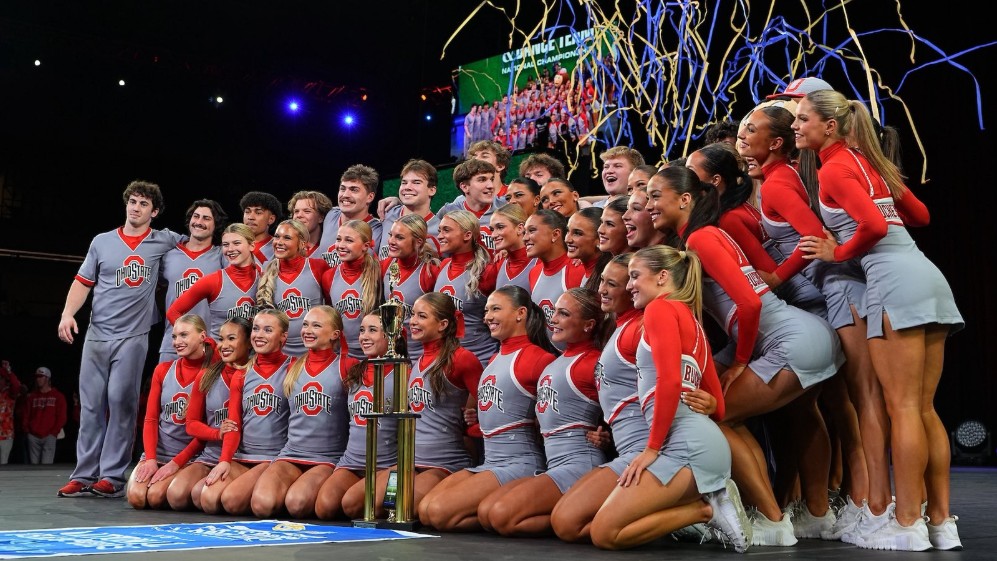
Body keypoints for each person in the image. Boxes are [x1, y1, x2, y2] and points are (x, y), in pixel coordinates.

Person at [795, 89, 964, 551]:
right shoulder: (872, 163)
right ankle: (940, 523)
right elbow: (921, 215)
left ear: (830, 126)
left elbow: (870, 225)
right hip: (926, 274)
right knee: (924, 408)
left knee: (903, 407)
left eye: (804, 118)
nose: (796, 125)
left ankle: (907, 524)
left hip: (893, 283)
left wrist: (837, 251)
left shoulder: (835, 167)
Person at [648, 165, 843, 545]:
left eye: (656, 195)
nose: (650, 204)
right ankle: (817, 514)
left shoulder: (701, 238)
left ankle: (771, 519)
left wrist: (738, 363)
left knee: (715, 414)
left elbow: (750, 306)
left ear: (685, 199)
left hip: (789, 340)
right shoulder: (705, 235)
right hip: (809, 334)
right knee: (804, 415)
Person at [739, 99, 889, 542]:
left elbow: (816, 237)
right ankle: (842, 505)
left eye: (752, 131)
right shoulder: (775, 180)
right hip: (818, 297)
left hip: (827, 296)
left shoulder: (781, 184)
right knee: (833, 408)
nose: (743, 139)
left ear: (778, 142)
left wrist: (774, 276)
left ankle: (860, 505)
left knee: (852, 406)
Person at [589, 245, 751, 552]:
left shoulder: (660, 309)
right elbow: (719, 405)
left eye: (635, 276)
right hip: (701, 442)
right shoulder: (691, 319)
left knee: (605, 533)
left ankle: (706, 511)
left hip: (684, 448)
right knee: (604, 529)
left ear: (663, 277)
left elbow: (670, 380)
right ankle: (704, 508)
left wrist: (651, 448)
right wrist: (713, 404)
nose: (629, 284)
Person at [57, 179, 183, 498]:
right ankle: (83, 474)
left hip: (134, 335)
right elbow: (83, 281)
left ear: (153, 212)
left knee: (121, 402)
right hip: (97, 334)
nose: (136, 207)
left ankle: (111, 476)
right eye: (132, 201)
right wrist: (67, 314)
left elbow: (197, 243)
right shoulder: (102, 241)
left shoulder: (162, 240)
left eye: (143, 204)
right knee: (90, 406)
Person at [420, 286, 557, 532]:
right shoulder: (495, 358)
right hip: (490, 460)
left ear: (520, 313)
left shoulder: (539, 359)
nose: (487, 317)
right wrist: (478, 418)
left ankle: (512, 509)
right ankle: (495, 509)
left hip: (519, 461)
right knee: (427, 510)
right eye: (486, 310)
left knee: (440, 513)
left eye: (495, 309)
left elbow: (554, 411)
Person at [481, 288, 607, 537]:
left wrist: (607, 435)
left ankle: (587, 512)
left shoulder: (594, 361)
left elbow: (620, 406)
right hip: (552, 464)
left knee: (501, 516)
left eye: (563, 314)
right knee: (488, 513)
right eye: (555, 313)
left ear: (588, 325)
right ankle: (573, 511)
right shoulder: (556, 362)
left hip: (580, 463)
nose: (553, 319)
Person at [252, 306, 355, 519]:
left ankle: (309, 492)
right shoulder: (293, 367)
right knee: (261, 504)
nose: (308, 330)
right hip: (291, 454)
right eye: (306, 324)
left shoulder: (347, 366)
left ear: (335, 334)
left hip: (327, 457)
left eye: (316, 325)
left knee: (297, 503)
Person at [387, 292, 484, 516]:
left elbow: (487, 400)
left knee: (403, 508)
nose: (413, 321)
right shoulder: (417, 360)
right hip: (412, 460)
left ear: (442, 324)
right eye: (413, 315)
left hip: (443, 461)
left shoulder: (462, 358)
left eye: (422, 316)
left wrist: (473, 421)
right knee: (369, 504)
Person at [199, 309, 292, 515]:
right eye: (256, 329)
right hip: (245, 456)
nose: (259, 335)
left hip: (275, 457)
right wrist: (224, 461)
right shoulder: (241, 375)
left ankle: (272, 489)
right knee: (208, 498)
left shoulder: (293, 368)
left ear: (283, 336)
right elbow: (233, 424)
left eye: (268, 330)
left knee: (233, 501)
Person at [314, 312, 397, 520]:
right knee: (324, 508)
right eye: (361, 330)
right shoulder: (354, 372)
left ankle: (396, 495)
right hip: (352, 462)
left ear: (392, 336)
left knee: (352, 505)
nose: (364, 336)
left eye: (373, 330)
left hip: (389, 464)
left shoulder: (403, 372)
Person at [126, 314, 214, 509]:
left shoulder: (211, 373)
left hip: (188, 456)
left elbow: (205, 432)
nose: (177, 342)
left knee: (156, 497)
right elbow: (150, 419)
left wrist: (176, 463)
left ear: (202, 336)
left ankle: (189, 481)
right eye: (174, 337)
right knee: (137, 498)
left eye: (184, 335)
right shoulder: (163, 370)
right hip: (158, 452)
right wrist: (150, 459)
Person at [170, 316, 253, 511]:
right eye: (221, 339)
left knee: (206, 498)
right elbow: (191, 424)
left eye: (231, 339)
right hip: (212, 452)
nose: (224, 345)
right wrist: (217, 433)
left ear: (248, 342)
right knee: (175, 495)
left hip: (242, 455)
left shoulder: (253, 374)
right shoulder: (207, 375)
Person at [158, 199, 226, 362]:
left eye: (206, 218)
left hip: (208, 343)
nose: (199, 222)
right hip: (172, 342)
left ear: (216, 225)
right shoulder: (169, 255)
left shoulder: (221, 257)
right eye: (196, 216)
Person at [167, 223, 260, 341]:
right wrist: (201, 341)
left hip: (254, 356)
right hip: (219, 356)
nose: (230, 249)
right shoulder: (213, 280)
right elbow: (173, 312)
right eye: (225, 245)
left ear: (252, 245)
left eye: (236, 243)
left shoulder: (264, 280)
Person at [255, 219, 331, 357]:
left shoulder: (318, 266)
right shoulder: (267, 270)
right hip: (281, 353)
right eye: (277, 236)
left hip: (314, 349)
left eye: (287, 238)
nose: (279, 242)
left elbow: (331, 309)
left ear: (302, 243)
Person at [433, 210, 498, 367]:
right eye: (439, 231)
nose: (440, 236)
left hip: (480, 359)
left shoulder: (487, 271)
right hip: (447, 359)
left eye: (446, 230)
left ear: (467, 235)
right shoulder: (442, 266)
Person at [380, 214, 440, 360]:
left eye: (399, 238)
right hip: (393, 354)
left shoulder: (430, 271)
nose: (391, 242)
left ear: (418, 242)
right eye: (390, 235)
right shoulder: (386, 265)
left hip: (422, 354)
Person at [525, 210, 586, 350]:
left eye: (532, 230)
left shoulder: (578, 269)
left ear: (555, 234)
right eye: (524, 232)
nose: (525, 238)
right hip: (549, 357)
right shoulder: (534, 272)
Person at [322, 219, 382, 359]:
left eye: (349, 240)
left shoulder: (380, 271)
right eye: (338, 239)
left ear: (365, 246)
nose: (341, 245)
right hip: (344, 355)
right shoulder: (328, 276)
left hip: (376, 355)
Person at [318, 164, 383, 267]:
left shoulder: (378, 229)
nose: (345, 195)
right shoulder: (331, 215)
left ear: (370, 197)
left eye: (354, 190)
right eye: (343, 189)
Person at [437, 159, 505, 255]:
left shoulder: (506, 207)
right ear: (464, 187)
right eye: (482, 180)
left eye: (492, 179)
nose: (491, 185)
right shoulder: (448, 211)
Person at [377, 159, 439, 260]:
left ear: (431, 190)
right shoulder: (387, 213)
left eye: (416, 182)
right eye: (404, 182)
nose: (407, 187)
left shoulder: (440, 230)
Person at [22, 366, 67, 465]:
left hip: (49, 436)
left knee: (46, 467)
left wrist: (53, 432)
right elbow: (26, 414)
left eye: (41, 376)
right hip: (33, 436)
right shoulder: (32, 397)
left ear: (47, 378)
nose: (38, 379)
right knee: (33, 467)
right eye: (37, 377)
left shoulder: (58, 396)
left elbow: (61, 417)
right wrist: (27, 430)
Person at [490, 203, 536, 292]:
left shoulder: (540, 261)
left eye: (500, 227)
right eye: (492, 229)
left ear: (520, 228)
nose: (493, 235)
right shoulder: (499, 261)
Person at [566, 207, 610, 290]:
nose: (567, 239)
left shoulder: (608, 276)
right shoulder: (582, 268)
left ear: (600, 239)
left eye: (577, 233)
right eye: (568, 231)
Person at [239, 191, 283, 267]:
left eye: (258, 213)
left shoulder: (279, 246)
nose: (251, 217)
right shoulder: (232, 245)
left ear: (271, 219)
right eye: (247, 212)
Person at [287, 190, 335, 257]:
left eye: (307, 211)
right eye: (296, 211)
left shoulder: (332, 250)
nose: (299, 215)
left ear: (321, 217)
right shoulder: (286, 248)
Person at [0, 360, 20, 464]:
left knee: (3, 464)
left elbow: (16, 386)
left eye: (0, 378)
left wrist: (9, 372)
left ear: (4, 380)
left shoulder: (10, 393)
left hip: (6, 434)